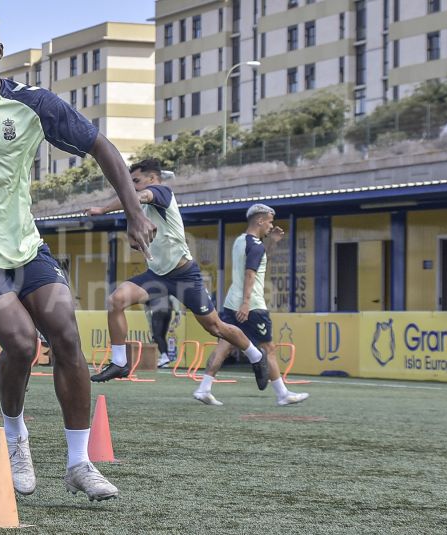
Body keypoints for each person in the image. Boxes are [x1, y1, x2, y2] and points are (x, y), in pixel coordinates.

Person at [0, 9, 156, 502]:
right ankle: (16, 438)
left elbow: (101, 146)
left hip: (26, 250)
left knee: (66, 334)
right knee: (20, 344)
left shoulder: (34, 104)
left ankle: (79, 463)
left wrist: (134, 212)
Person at [84, 159, 267, 385]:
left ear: (152, 179)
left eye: (136, 181)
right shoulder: (140, 208)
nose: (133, 186)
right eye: (130, 182)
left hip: (184, 276)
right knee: (116, 300)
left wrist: (103, 209)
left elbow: (139, 196)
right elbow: (135, 221)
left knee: (215, 327)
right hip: (156, 276)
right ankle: (120, 362)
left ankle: (256, 356)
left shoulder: (162, 192)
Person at [192, 203, 309, 407]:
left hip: (231, 302)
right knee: (268, 348)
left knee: (224, 345)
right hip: (252, 305)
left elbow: (260, 258)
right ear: (260, 221)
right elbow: (250, 273)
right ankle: (282, 394)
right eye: (270, 222)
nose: (271, 226)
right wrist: (246, 303)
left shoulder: (240, 241)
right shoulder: (255, 246)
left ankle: (204, 388)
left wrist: (272, 242)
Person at [144, 294, 181, 368]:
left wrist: (152, 330)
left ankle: (164, 357)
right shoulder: (165, 290)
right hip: (168, 312)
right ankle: (165, 360)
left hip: (158, 311)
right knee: (162, 336)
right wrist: (177, 313)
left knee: (157, 336)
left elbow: (148, 312)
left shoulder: (148, 293)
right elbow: (173, 298)